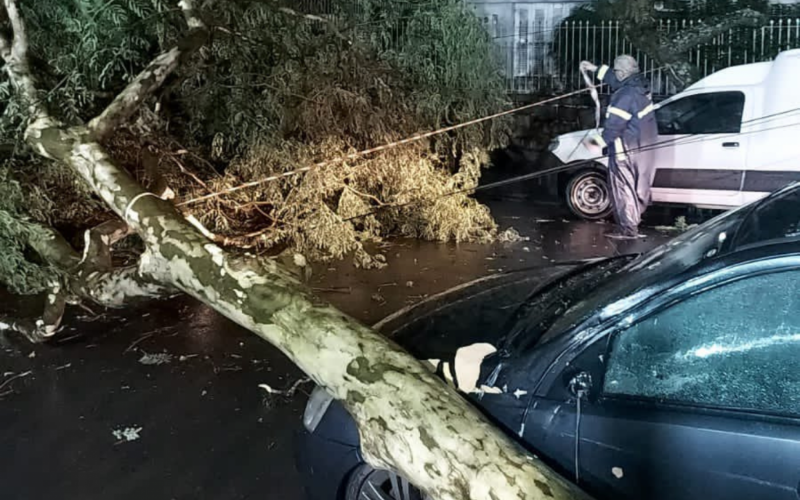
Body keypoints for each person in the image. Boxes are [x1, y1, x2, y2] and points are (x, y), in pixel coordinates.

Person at [580, 56, 658, 239]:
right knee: (638, 186)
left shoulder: (624, 96)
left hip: (626, 150)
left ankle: (628, 230)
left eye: (616, 70)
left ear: (622, 72)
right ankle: (632, 222)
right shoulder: (640, 86)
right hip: (645, 148)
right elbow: (617, 81)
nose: (614, 74)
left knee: (623, 187)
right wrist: (594, 69)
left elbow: (613, 127)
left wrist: (594, 145)